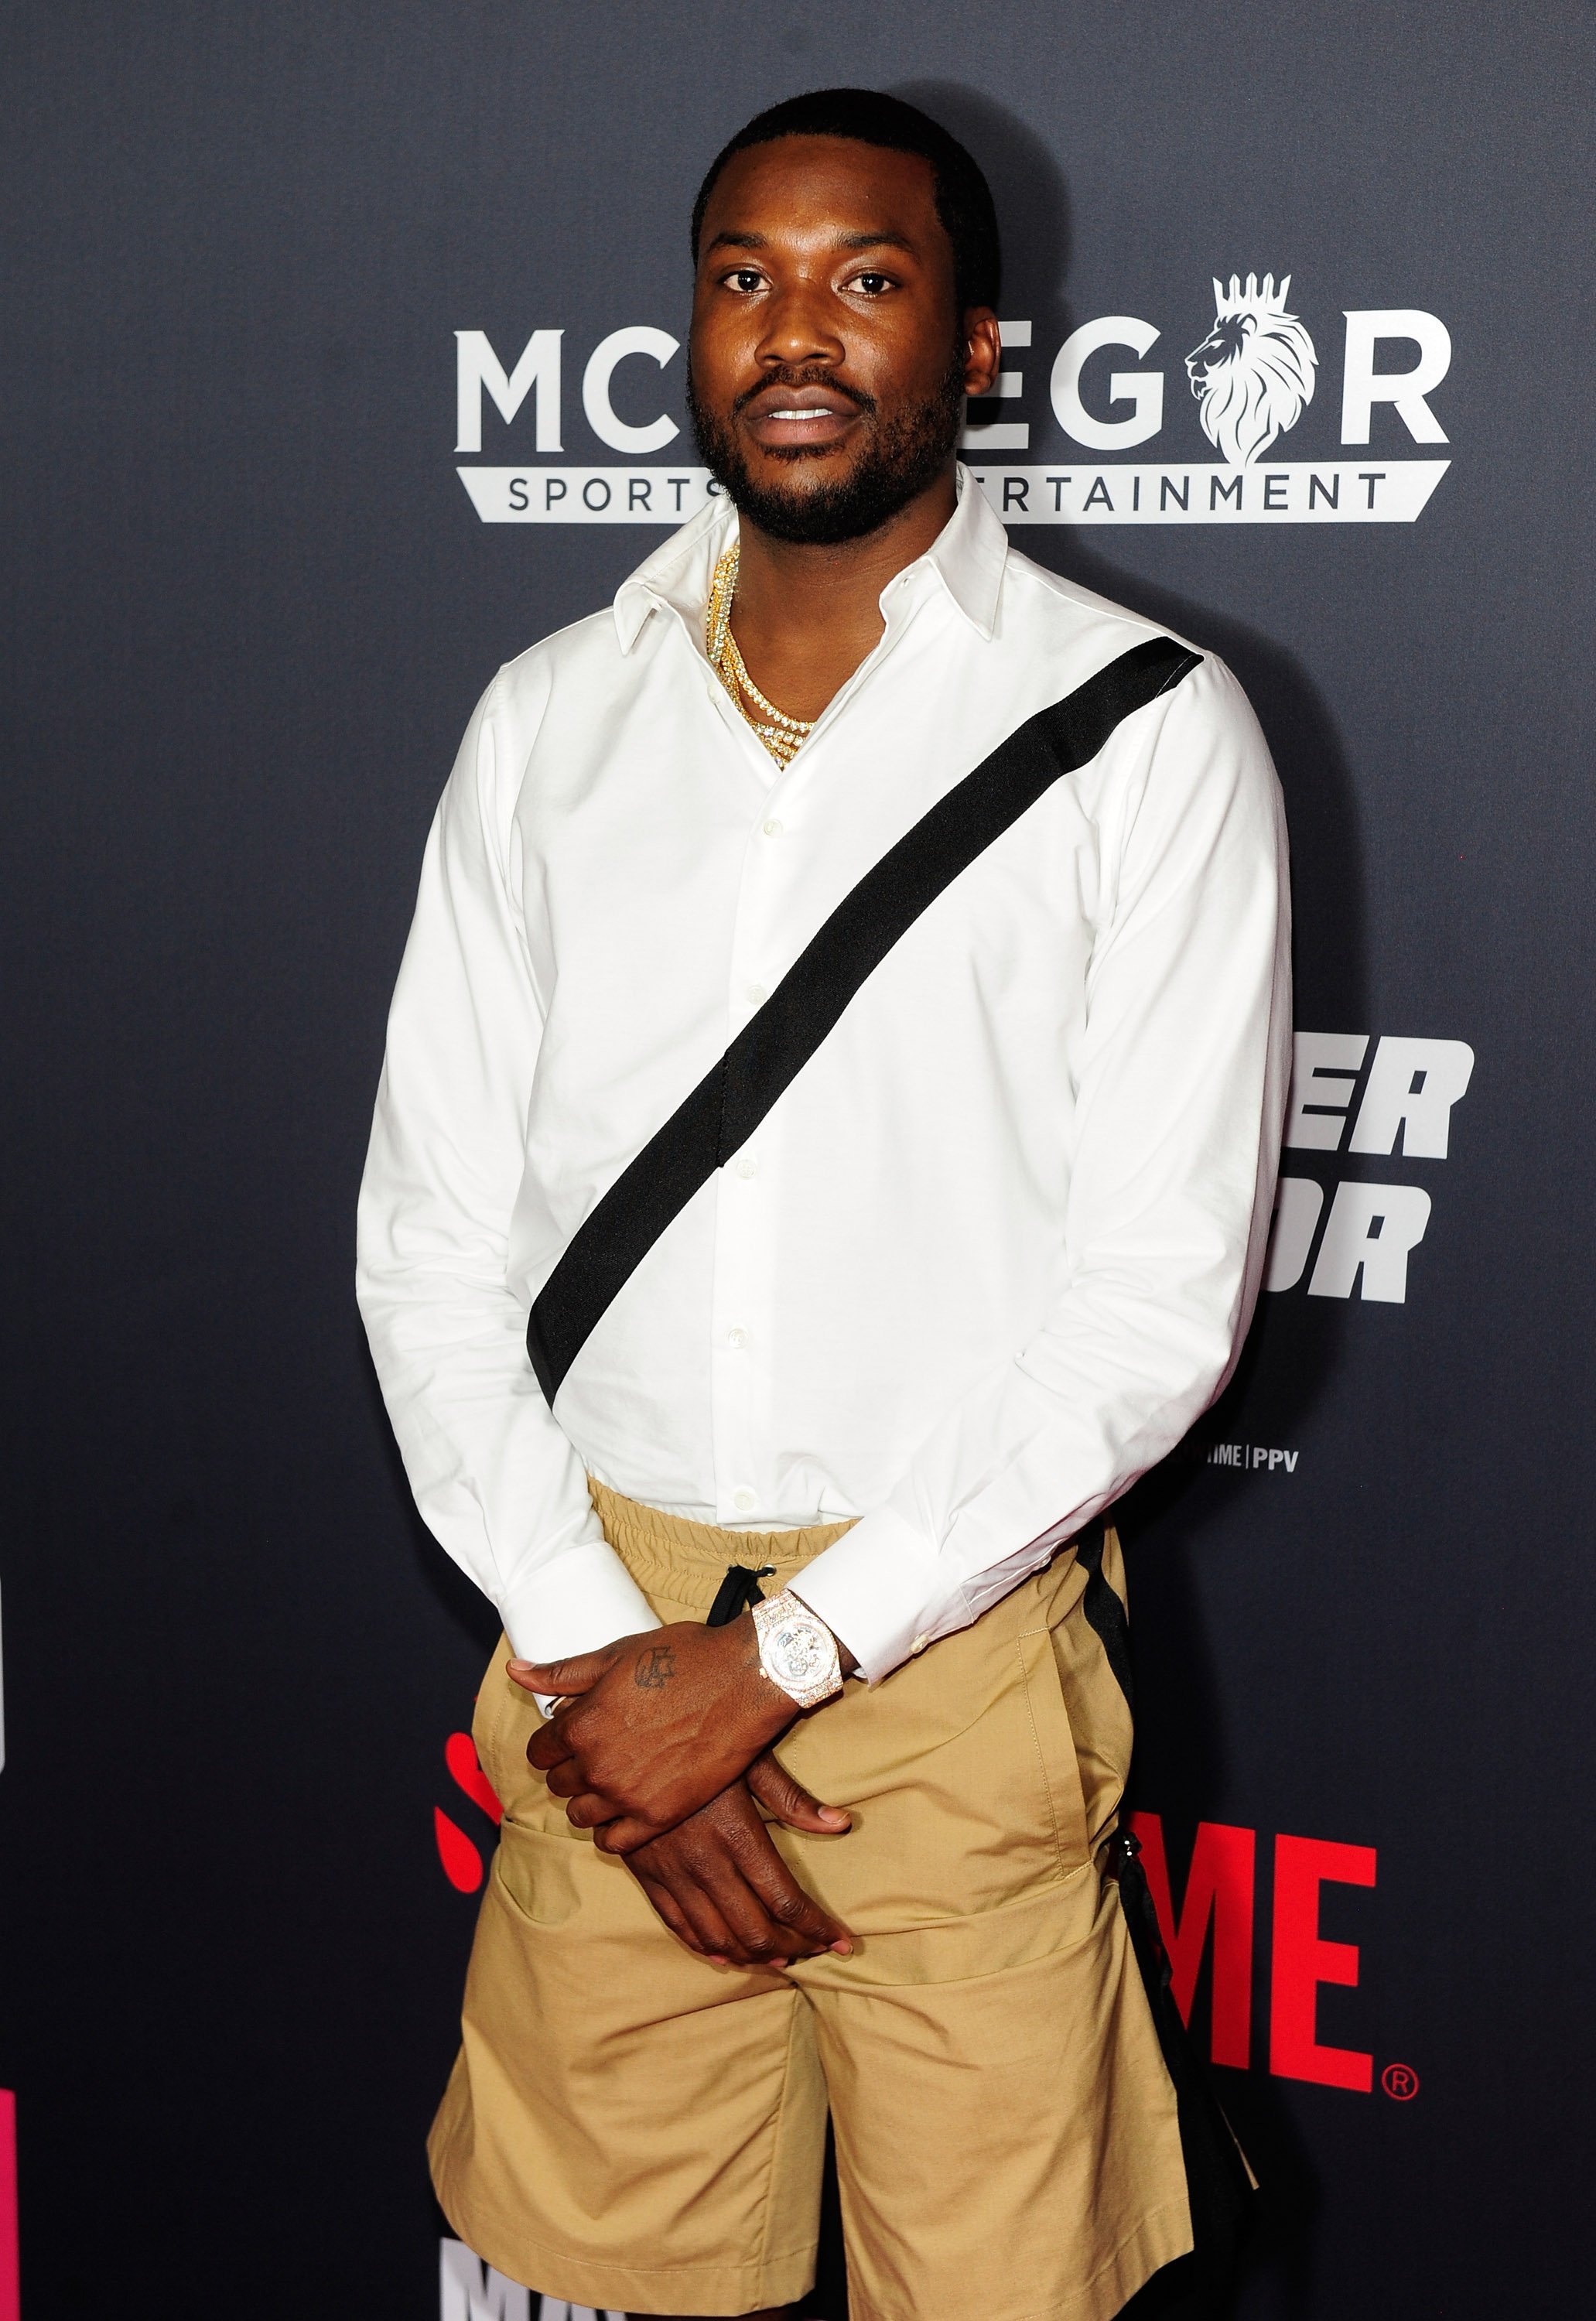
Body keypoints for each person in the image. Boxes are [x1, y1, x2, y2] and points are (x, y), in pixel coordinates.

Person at [358, 87, 1290, 2321]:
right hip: (594, 1633)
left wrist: (772, 1670)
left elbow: (1155, 1307)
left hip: (943, 1648)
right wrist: (614, 1676)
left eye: (866, 277)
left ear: (974, 343)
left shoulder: (1145, 730)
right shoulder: (547, 720)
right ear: (689, 328)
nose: (797, 330)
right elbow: (428, 1244)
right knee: (580, 2285)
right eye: (744, 277)